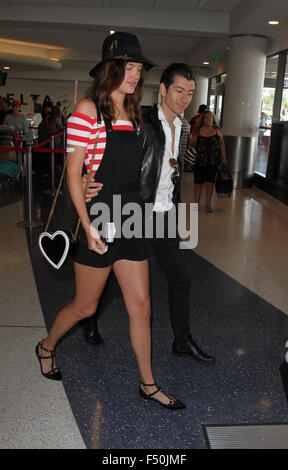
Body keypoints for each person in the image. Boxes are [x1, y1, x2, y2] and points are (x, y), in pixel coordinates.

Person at [35, 32, 185, 410]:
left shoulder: (135, 114)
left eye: (138, 69)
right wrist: (86, 224)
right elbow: (72, 174)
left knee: (142, 306)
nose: (134, 75)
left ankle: (148, 383)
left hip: (131, 215)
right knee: (86, 306)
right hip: (99, 217)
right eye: (127, 67)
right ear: (109, 69)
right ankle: (46, 346)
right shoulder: (87, 110)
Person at [84, 63, 216, 363]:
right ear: (164, 89)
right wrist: (85, 178)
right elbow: (109, 152)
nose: (184, 98)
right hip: (136, 211)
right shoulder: (140, 120)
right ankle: (89, 316)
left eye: (190, 93)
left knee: (180, 279)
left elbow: (175, 171)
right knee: (116, 278)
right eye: (179, 90)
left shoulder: (183, 127)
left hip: (166, 212)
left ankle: (182, 341)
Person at [192, 111, 227, 212]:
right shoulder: (198, 130)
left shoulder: (217, 130)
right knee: (198, 183)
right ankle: (196, 204)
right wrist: (192, 138)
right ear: (203, 119)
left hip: (213, 161)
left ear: (213, 119)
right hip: (200, 161)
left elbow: (222, 145)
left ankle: (208, 205)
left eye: (211, 118)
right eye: (207, 118)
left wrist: (224, 157)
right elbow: (193, 144)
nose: (209, 119)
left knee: (210, 183)